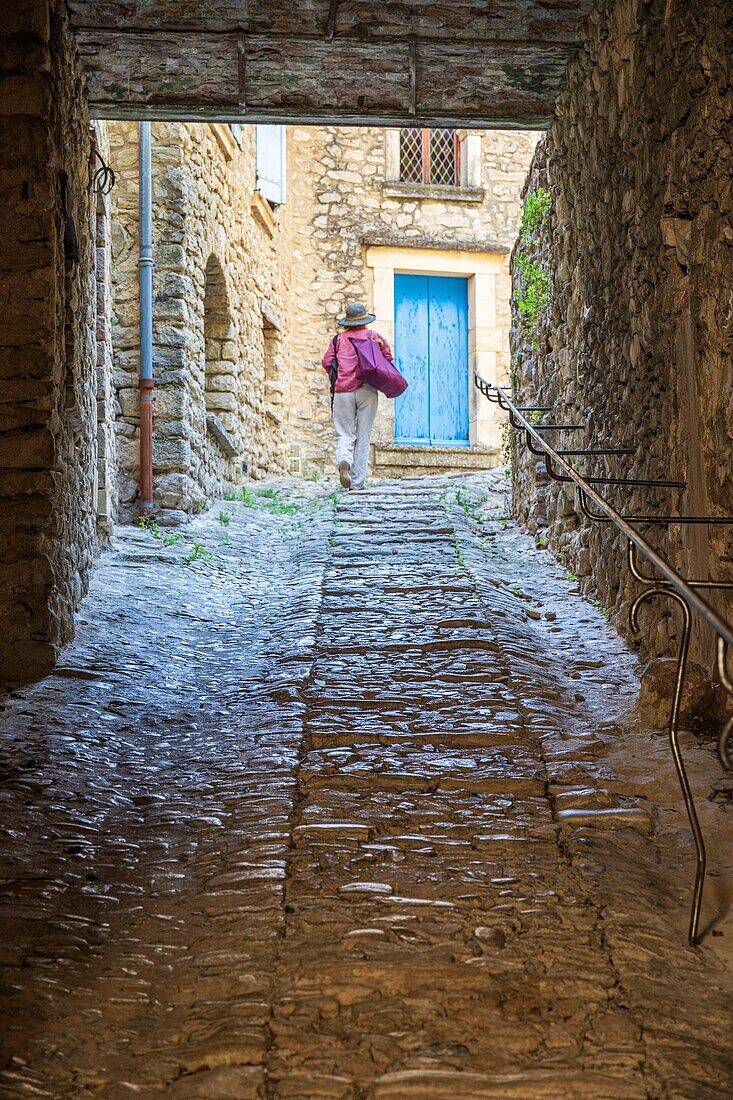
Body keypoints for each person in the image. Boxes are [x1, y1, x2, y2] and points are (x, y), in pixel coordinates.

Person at [321, 302, 394, 491]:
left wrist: (341, 375)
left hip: (343, 391)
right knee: (363, 435)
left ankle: (344, 459)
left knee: (344, 433)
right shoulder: (373, 336)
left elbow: (327, 362)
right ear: (365, 320)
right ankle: (357, 482)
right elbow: (388, 357)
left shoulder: (338, 340)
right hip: (367, 390)